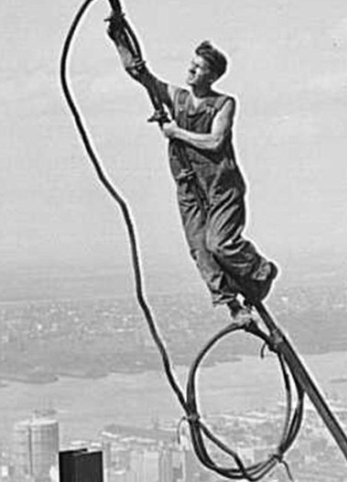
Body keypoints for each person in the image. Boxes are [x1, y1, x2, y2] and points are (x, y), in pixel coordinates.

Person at [107, 21, 277, 322]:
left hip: (221, 186)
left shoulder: (223, 104)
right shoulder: (178, 98)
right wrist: (119, 38)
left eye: (198, 67)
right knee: (201, 250)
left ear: (211, 75)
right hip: (188, 184)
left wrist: (175, 133)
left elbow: (215, 141)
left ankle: (261, 270)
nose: (191, 71)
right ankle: (233, 306)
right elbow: (141, 75)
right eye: (192, 64)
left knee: (220, 244)